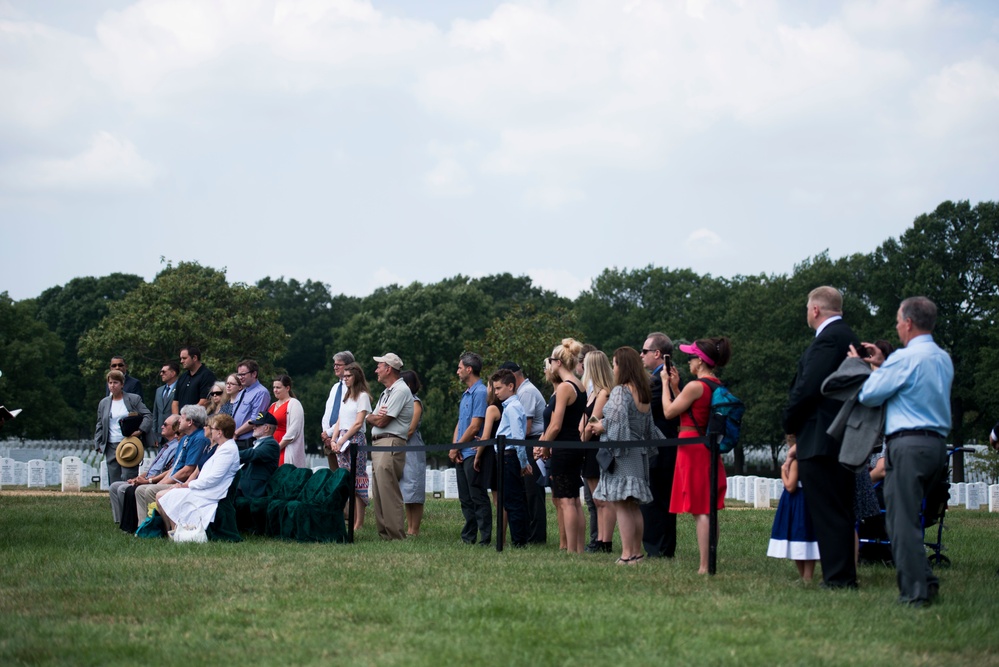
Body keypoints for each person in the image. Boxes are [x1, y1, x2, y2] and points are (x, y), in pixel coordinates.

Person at [855, 296, 954, 607]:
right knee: (913, 517)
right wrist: (885, 365)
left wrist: (868, 368)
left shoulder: (904, 358)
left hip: (908, 444)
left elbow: (869, 395)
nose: (897, 326)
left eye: (899, 320)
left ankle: (915, 593)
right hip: (937, 445)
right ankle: (926, 580)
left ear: (909, 323)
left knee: (901, 521)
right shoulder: (942, 358)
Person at [781, 286, 861, 589]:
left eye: (806, 308)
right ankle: (841, 576)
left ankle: (839, 579)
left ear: (815, 310)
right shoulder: (847, 337)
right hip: (839, 437)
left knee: (828, 513)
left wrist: (789, 419)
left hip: (823, 437)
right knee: (838, 510)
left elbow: (809, 387)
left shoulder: (829, 340)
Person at [662, 337, 731, 574]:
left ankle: (704, 566)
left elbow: (670, 411)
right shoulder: (714, 385)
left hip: (692, 448)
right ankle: (709, 559)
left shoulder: (695, 386)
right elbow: (693, 411)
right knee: (708, 508)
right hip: (706, 447)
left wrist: (664, 385)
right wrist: (675, 387)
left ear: (700, 361)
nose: (688, 361)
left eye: (691, 357)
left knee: (700, 510)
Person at [589, 347, 659, 565]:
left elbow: (618, 424)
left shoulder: (621, 391)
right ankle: (636, 552)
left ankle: (628, 554)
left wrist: (601, 427)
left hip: (623, 455)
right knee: (633, 506)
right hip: (639, 454)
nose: (613, 368)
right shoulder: (643, 392)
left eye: (615, 363)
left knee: (622, 505)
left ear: (623, 366)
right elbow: (650, 429)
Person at [534, 338, 587, 553]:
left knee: (566, 500)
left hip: (564, 448)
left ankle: (572, 550)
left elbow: (555, 425)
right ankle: (579, 548)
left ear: (558, 362)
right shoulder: (579, 384)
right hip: (574, 445)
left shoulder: (565, 387)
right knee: (573, 499)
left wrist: (545, 446)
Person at [156, 414, 241, 533]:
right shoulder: (221, 447)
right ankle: (174, 531)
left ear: (220, 432)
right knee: (162, 495)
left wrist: (187, 485)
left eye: (212, 428)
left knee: (164, 496)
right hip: (204, 488)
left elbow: (212, 479)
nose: (210, 430)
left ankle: (178, 532)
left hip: (211, 493)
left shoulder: (228, 450)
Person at [365, 352, 414, 541]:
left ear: (389, 369)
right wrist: (372, 417)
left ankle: (396, 535)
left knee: (388, 491)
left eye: (379, 366)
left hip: (390, 442)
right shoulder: (387, 392)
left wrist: (373, 418)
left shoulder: (400, 391)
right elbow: (371, 416)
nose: (376, 370)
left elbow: (383, 420)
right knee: (378, 491)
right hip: (380, 443)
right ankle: (385, 534)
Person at [133, 404, 212, 519]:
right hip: (174, 479)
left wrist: (159, 484)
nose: (179, 420)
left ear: (190, 422)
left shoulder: (199, 439)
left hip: (182, 482)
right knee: (140, 490)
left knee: (150, 490)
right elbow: (175, 467)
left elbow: (187, 470)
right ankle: (143, 526)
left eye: (182, 417)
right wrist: (155, 481)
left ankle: (159, 527)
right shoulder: (185, 438)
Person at [641, 331, 679, 559]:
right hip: (660, 449)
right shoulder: (662, 378)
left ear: (657, 353)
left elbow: (646, 409)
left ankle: (658, 548)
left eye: (645, 351)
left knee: (656, 501)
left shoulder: (659, 381)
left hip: (660, 451)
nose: (641, 355)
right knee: (657, 500)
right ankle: (660, 547)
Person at [501, 361, 548, 545]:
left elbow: (525, 428)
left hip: (531, 441)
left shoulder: (526, 392)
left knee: (532, 491)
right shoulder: (521, 392)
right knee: (525, 492)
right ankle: (528, 533)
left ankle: (536, 537)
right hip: (526, 442)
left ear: (513, 376)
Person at [109, 415, 182, 528]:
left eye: (165, 424)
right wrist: (138, 478)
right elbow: (151, 469)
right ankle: (122, 522)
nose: (162, 426)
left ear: (174, 428)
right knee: (114, 486)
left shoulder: (176, 447)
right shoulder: (165, 447)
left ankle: (139, 525)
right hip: (148, 478)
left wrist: (147, 481)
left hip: (156, 480)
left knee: (124, 489)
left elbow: (167, 471)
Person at [451, 352, 492, 546]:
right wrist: (455, 447)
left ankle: (485, 538)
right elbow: (461, 424)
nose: (457, 371)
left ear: (469, 369)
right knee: (465, 498)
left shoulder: (481, 392)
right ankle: (468, 536)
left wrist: (458, 447)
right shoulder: (466, 394)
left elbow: (475, 426)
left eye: (460, 367)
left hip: (473, 452)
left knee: (477, 496)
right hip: (462, 451)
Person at [767, 439, 819, 582]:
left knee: (798, 537)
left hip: (797, 501)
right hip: (808, 499)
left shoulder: (795, 462)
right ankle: (806, 576)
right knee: (807, 537)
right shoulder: (811, 458)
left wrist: (783, 472)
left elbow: (790, 486)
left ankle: (805, 576)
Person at [580, 350, 615, 553]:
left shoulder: (603, 392)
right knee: (596, 498)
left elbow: (594, 419)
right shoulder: (591, 392)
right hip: (587, 447)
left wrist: (582, 438)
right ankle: (598, 540)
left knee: (602, 498)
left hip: (595, 447)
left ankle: (604, 541)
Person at [490, 368, 531, 548]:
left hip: (509, 456)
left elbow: (517, 438)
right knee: (511, 499)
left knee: (513, 501)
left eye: (498, 388)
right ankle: (519, 539)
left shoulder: (513, 408)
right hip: (506, 456)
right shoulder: (510, 407)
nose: (496, 392)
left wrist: (523, 463)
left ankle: (518, 541)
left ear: (511, 386)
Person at [331, 362, 372, 531]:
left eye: (348, 376)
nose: (345, 379)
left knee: (358, 480)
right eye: (344, 377)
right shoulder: (346, 396)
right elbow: (340, 420)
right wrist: (334, 439)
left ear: (357, 377)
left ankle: (359, 523)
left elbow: (358, 423)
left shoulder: (362, 396)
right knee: (346, 480)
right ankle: (349, 518)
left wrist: (341, 440)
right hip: (342, 438)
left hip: (354, 440)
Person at [95, 369, 153, 484]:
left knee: (128, 477)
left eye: (116, 382)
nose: (113, 385)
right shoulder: (104, 403)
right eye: (110, 383)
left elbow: (148, 415)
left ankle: (128, 502)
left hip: (129, 443)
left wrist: (140, 430)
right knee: (114, 480)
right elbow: (100, 423)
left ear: (122, 384)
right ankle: (115, 502)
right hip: (111, 444)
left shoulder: (133, 399)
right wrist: (98, 442)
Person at [400, 369, 427, 536]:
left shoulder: (415, 403)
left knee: (414, 488)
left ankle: (414, 529)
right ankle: (408, 527)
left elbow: (410, 429)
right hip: (402, 447)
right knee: (406, 491)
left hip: (413, 447)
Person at [321, 351, 355, 470]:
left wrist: (330, 433)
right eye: (334, 364)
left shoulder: (353, 389)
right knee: (334, 476)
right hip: (330, 440)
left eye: (338, 365)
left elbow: (346, 416)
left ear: (348, 366)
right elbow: (327, 413)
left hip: (344, 438)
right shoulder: (335, 387)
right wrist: (325, 434)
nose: (335, 367)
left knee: (346, 475)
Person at [237, 411, 281, 499]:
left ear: (267, 428)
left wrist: (230, 454)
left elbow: (253, 454)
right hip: (244, 486)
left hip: (254, 490)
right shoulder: (260, 443)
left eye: (257, 425)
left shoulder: (272, 444)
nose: (253, 427)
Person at [231, 360, 271, 451]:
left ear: (254, 374)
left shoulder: (261, 393)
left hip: (247, 443)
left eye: (243, 374)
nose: (240, 378)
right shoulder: (242, 392)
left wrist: (236, 433)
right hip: (235, 440)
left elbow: (255, 419)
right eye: (239, 375)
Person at [269, 374, 306, 467]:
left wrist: (277, 448)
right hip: (271, 447)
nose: (275, 390)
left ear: (287, 388)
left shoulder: (294, 404)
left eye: (278, 387)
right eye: (274, 387)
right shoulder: (272, 405)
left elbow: (294, 430)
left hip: (285, 448)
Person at [172, 346, 216, 414]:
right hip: (181, 421)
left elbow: (204, 402)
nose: (181, 361)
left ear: (194, 358)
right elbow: (175, 402)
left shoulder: (207, 376)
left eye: (184, 358)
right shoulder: (182, 377)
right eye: (181, 358)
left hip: (198, 421)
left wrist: (187, 417)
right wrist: (177, 419)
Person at [152, 361, 179, 444]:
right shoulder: (159, 390)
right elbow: (156, 413)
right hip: (161, 436)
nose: (161, 374)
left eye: (164, 372)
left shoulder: (181, 388)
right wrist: (155, 434)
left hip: (175, 435)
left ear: (173, 373)